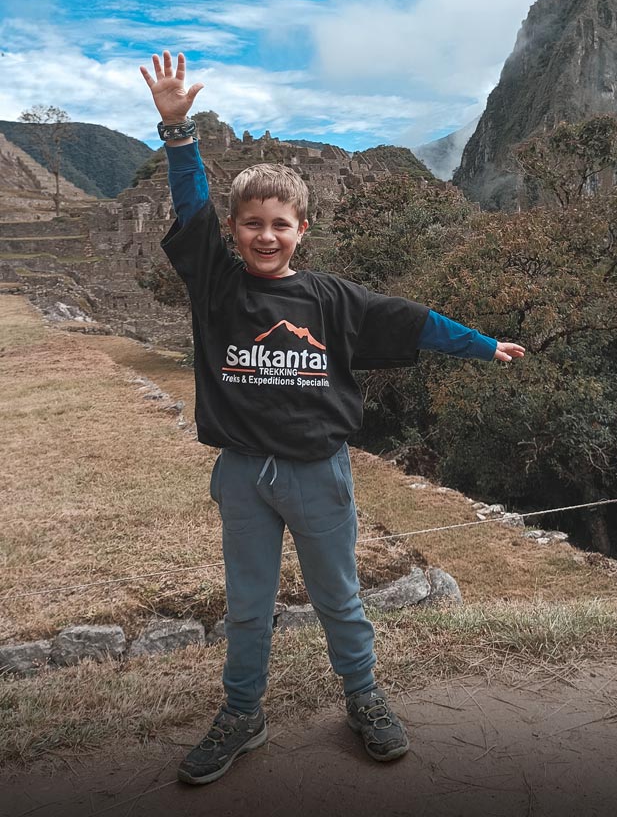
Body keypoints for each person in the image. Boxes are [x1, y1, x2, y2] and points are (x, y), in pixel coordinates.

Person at [140, 51, 525, 786]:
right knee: (248, 606)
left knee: (339, 598)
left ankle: (365, 698)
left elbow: (415, 323)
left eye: (279, 224)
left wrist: (483, 346)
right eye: (251, 223)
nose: (264, 235)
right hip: (244, 474)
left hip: (319, 473)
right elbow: (189, 212)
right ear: (235, 227)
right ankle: (241, 714)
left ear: (302, 229)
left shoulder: (333, 300)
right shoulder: (216, 287)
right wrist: (178, 133)